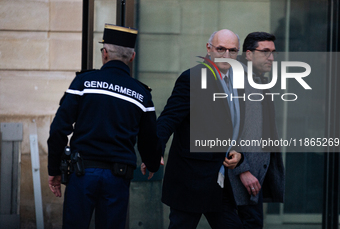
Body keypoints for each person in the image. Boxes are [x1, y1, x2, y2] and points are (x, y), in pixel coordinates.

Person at [47, 24, 161, 229]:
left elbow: (59, 129)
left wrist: (54, 168)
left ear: (105, 53)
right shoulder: (141, 94)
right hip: (117, 179)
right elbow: (149, 138)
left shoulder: (83, 82)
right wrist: (151, 163)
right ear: (132, 57)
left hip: (82, 173)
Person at [156, 29, 244, 229]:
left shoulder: (237, 83)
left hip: (220, 181)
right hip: (191, 179)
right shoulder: (193, 78)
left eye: (232, 51)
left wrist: (239, 153)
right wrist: (155, 150)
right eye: (221, 49)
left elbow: (237, 126)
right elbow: (169, 118)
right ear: (209, 48)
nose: (226, 55)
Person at [228, 32, 285, 229]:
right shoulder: (237, 81)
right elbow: (226, 129)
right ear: (249, 54)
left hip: (255, 179)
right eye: (265, 52)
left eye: (273, 53)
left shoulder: (259, 80)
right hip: (241, 179)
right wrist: (242, 170)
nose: (271, 58)